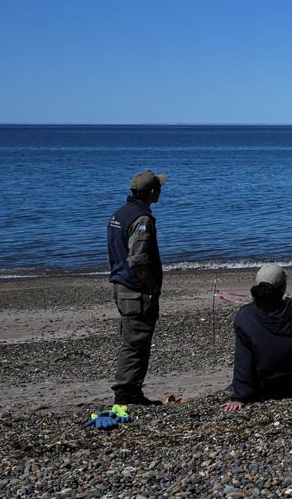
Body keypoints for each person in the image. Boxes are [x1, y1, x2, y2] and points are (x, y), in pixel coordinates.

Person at [221, 265, 292, 411]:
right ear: (283, 287)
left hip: (266, 388)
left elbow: (243, 359)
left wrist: (239, 396)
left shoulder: (245, 315)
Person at [106, 169, 167, 405]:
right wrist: (152, 287)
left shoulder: (120, 214)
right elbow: (138, 260)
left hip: (122, 285)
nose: (161, 191)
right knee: (136, 343)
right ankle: (127, 393)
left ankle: (130, 391)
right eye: (159, 188)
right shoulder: (141, 219)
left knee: (132, 339)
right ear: (152, 191)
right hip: (135, 290)